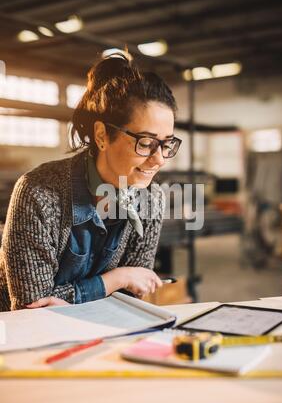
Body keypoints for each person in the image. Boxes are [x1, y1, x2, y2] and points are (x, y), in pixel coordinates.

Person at [0, 52, 181, 311]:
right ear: (101, 135)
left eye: (166, 144)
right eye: (146, 143)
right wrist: (117, 278)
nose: (159, 160)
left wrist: (75, 296)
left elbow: (132, 297)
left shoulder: (150, 198)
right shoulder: (38, 193)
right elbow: (32, 309)